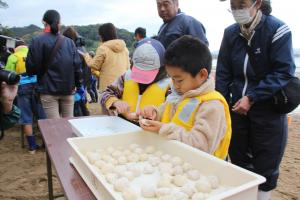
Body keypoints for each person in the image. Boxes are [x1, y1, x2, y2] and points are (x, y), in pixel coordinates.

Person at [215, 1, 295, 199]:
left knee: (266, 166)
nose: (237, 10)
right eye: (233, 5)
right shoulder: (230, 33)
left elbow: (284, 71)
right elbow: (224, 73)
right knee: (239, 162)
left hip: (268, 111)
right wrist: (222, 104)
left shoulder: (277, 29)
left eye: (241, 4)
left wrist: (252, 97)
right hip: (236, 110)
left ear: (257, 3)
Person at [139, 36, 231, 160]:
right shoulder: (179, 95)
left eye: (179, 80)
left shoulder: (212, 106)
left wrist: (164, 129)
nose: (175, 85)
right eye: (172, 79)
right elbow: (165, 112)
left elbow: (203, 146)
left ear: (202, 74)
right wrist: (154, 113)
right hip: (174, 159)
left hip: (199, 170)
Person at [26, 10, 82, 119]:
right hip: (68, 90)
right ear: (59, 23)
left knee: (55, 125)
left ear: (44, 22)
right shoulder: (69, 42)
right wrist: (78, 85)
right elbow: (77, 68)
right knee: (68, 123)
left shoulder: (37, 41)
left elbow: (30, 69)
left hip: (48, 90)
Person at [101, 38, 170, 124]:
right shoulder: (126, 77)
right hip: (124, 126)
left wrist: (155, 114)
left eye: (147, 72)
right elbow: (106, 93)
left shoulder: (171, 86)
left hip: (151, 133)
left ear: (161, 69)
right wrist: (115, 102)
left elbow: (173, 111)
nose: (142, 80)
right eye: (139, 71)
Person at [5, 40, 46, 153]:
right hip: (37, 86)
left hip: (22, 88)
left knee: (26, 117)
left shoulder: (13, 57)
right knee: (41, 116)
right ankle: (46, 143)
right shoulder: (34, 54)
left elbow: (8, 76)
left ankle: (32, 147)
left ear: (15, 48)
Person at [83, 23, 130, 92]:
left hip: (107, 87)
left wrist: (86, 56)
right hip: (122, 85)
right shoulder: (125, 49)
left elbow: (95, 65)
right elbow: (128, 67)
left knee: (108, 102)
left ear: (103, 35)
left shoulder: (103, 48)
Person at [63, 27, 89, 116]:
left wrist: (77, 85)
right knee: (82, 104)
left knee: (75, 109)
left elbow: (75, 69)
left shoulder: (71, 49)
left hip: (75, 84)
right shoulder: (82, 48)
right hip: (83, 82)